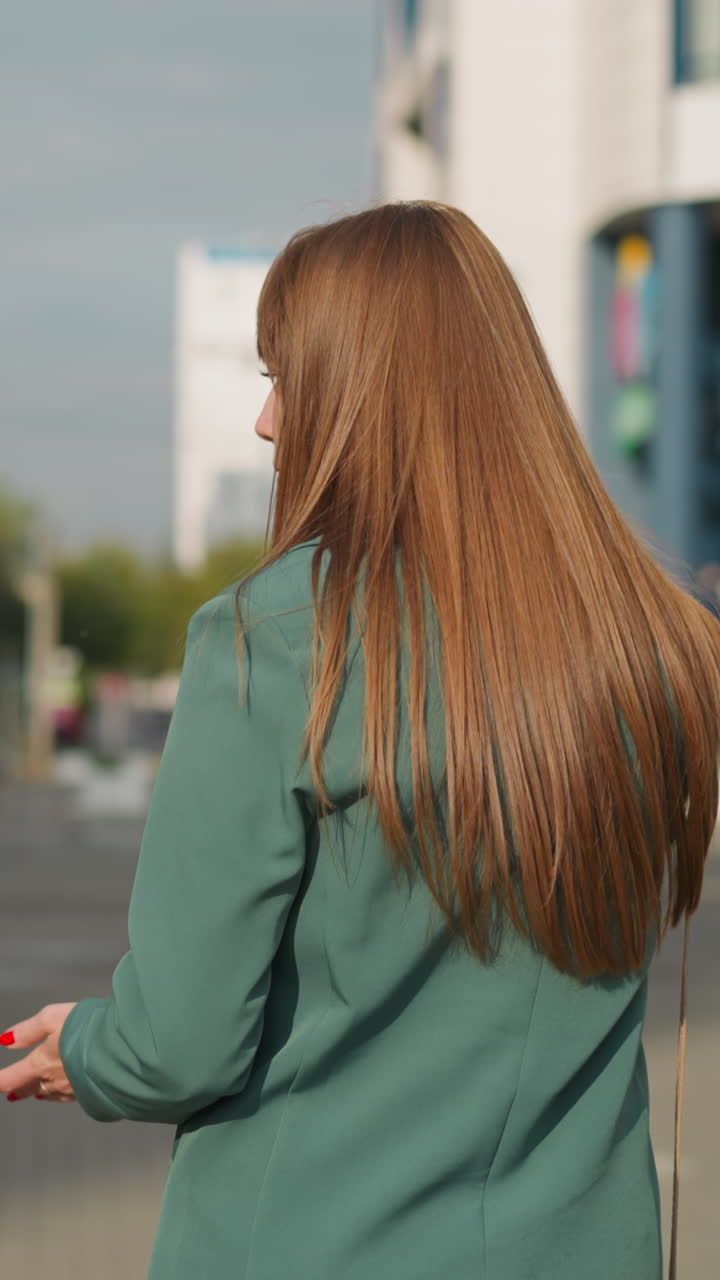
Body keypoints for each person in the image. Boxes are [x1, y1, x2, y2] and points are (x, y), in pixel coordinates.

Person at [1, 202, 718, 1280]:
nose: (267, 422)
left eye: (282, 377)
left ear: (361, 393)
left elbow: (177, 1041)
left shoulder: (276, 638)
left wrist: (88, 1047)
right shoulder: (658, 647)